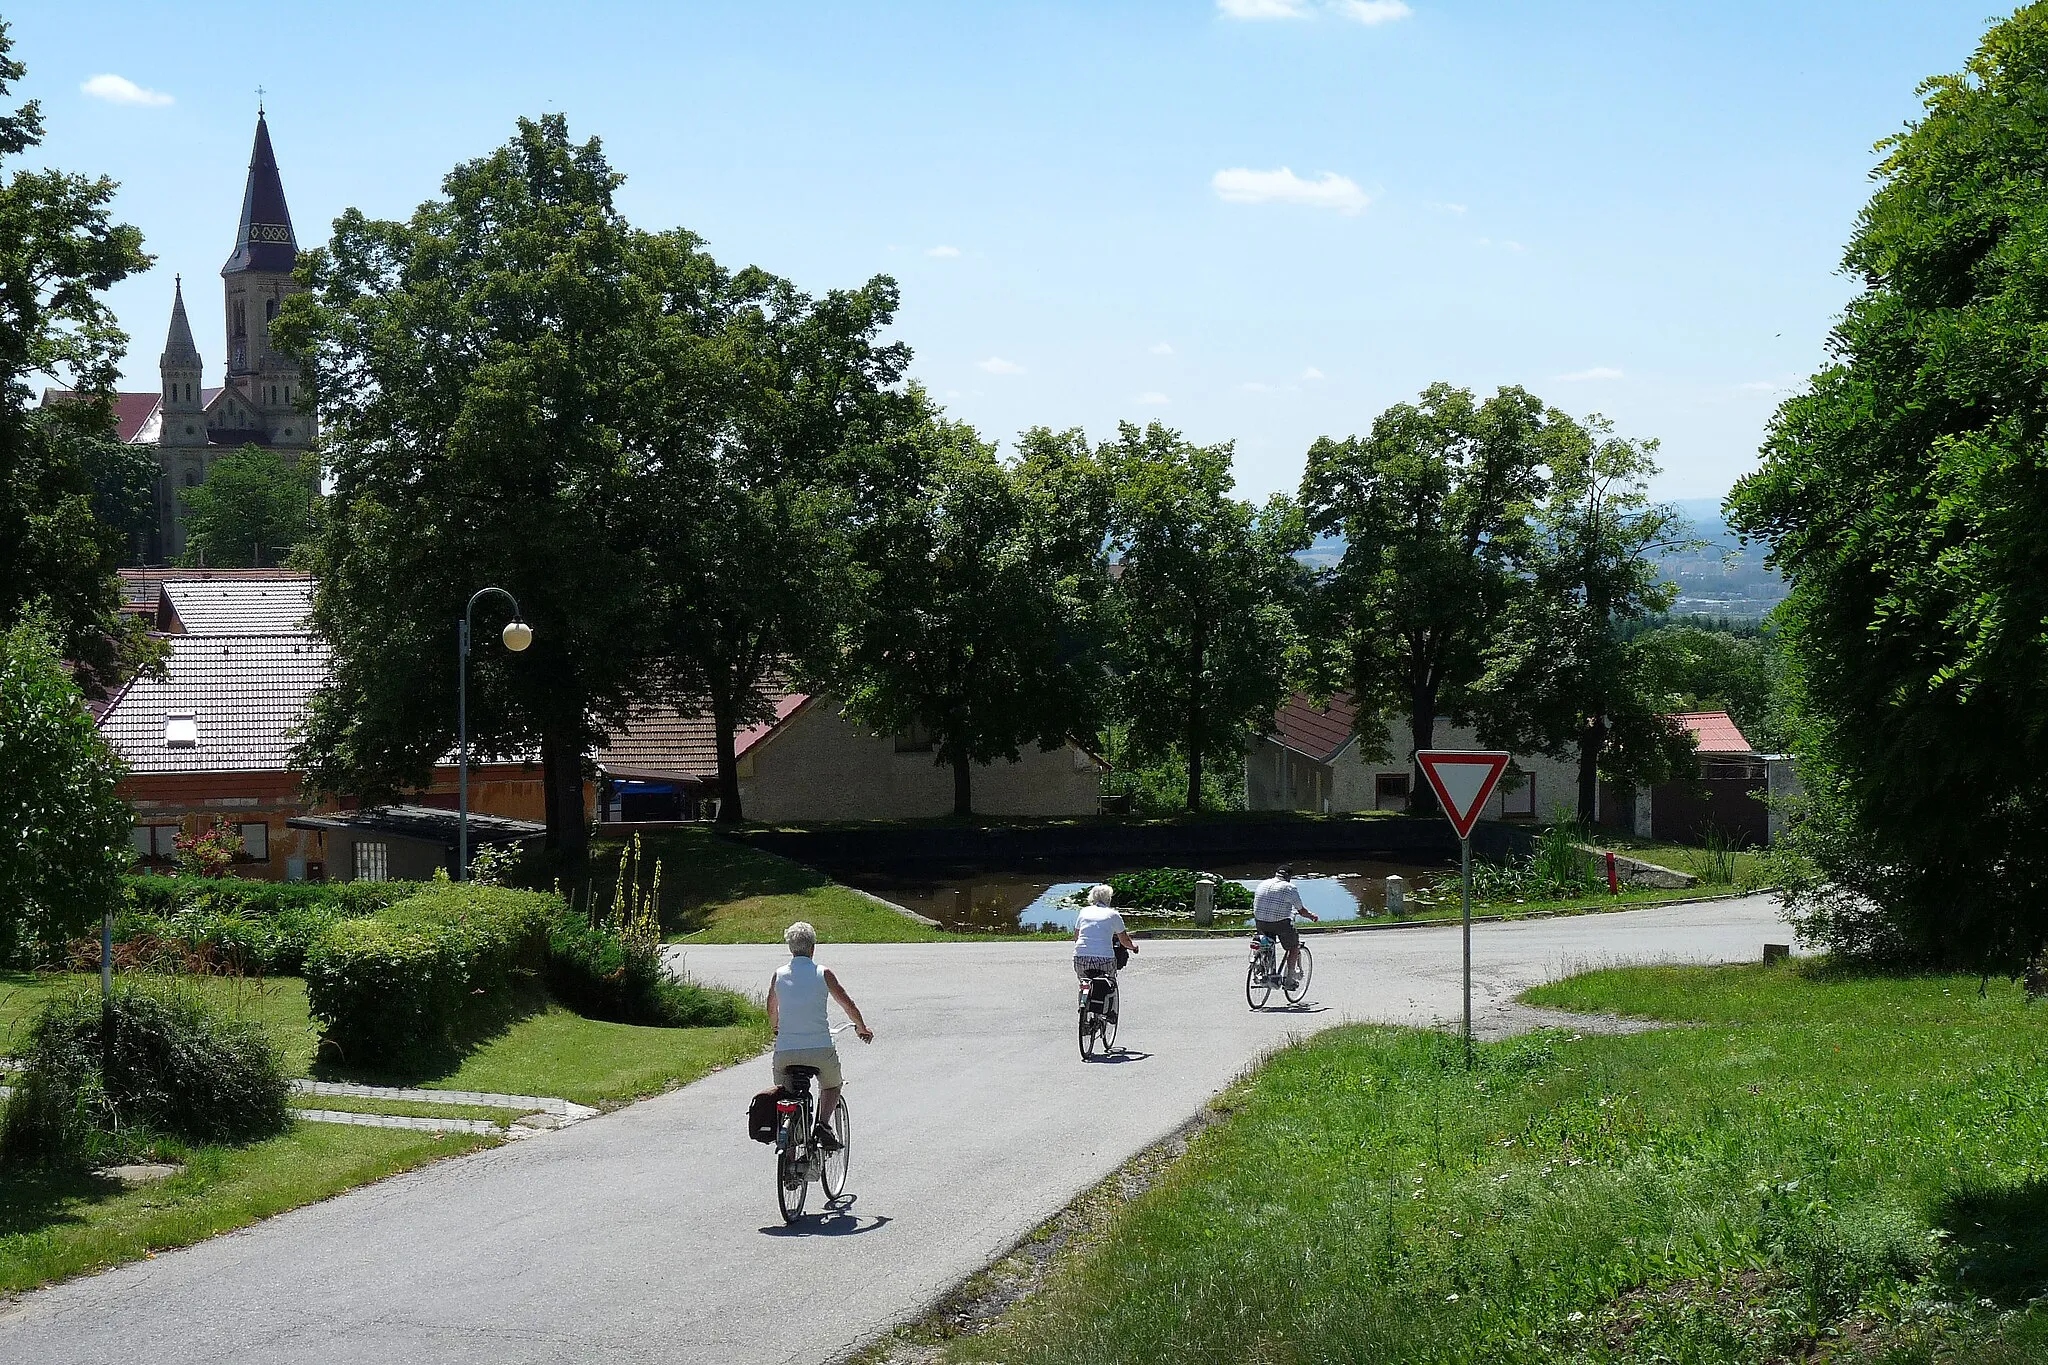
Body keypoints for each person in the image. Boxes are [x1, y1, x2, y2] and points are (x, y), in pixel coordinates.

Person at [766, 921, 873, 1152]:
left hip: (785, 1052)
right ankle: (823, 1125)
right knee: (832, 1085)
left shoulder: (779, 975)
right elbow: (847, 1004)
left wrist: (777, 1028)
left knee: (786, 1092)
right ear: (813, 948)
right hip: (819, 1050)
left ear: (790, 948)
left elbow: (771, 1008)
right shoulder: (823, 973)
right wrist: (861, 1027)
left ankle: (791, 1136)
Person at [1072, 883, 1138, 1018]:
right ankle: (1110, 1012)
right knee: (1110, 981)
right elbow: (1124, 940)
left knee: (1084, 981)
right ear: (1108, 898)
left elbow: (1076, 936)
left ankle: (1083, 1008)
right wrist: (1134, 947)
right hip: (1104, 959)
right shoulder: (1113, 914)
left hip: (1080, 957)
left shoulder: (1084, 911)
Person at [1252, 864, 1319, 985]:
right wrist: (1311, 916)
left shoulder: (1263, 883)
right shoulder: (1289, 888)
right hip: (1280, 924)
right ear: (1289, 876)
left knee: (1266, 944)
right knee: (1293, 947)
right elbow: (1301, 910)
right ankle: (1289, 980)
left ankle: (1262, 967)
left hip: (1260, 922)